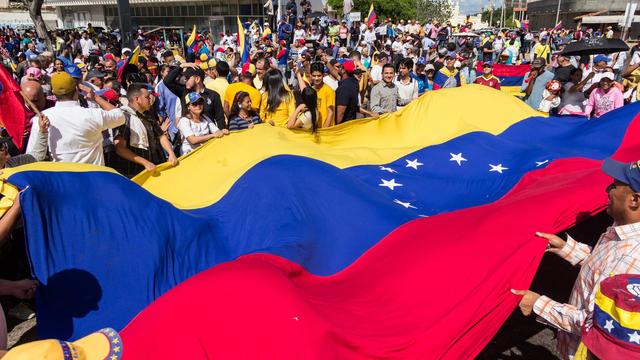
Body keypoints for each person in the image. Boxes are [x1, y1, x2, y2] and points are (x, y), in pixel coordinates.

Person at [511, 157, 640, 359]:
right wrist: (566, 248)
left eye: (615, 185)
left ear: (634, 200)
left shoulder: (633, 259)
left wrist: (538, 304)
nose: (608, 189)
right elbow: (603, 268)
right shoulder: (622, 229)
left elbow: (598, 322)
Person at [25, 72, 124, 166]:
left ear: (53, 93)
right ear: (76, 91)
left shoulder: (41, 119)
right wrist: (95, 97)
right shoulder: (93, 115)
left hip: (64, 180)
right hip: (94, 179)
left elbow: (32, 155)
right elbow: (120, 116)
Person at [113, 83, 178, 178]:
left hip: (155, 166)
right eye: (147, 97)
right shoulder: (124, 117)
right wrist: (145, 162)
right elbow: (120, 148)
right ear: (137, 99)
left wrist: (171, 153)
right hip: (135, 173)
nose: (150, 100)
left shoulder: (148, 115)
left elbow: (161, 136)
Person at [163, 63, 226, 130]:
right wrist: (181, 66)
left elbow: (220, 119)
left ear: (197, 79)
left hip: (209, 136)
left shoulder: (213, 95)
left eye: (187, 78)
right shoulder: (183, 92)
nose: (185, 80)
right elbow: (167, 81)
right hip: (189, 137)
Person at [306, 61, 335, 128]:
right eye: (314, 76)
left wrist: (324, 130)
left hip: (325, 129)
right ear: (310, 75)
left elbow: (331, 112)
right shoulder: (311, 90)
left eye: (319, 76)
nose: (316, 78)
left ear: (323, 75)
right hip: (315, 128)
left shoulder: (329, 91)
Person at [334, 60, 360, 124]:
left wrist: (333, 127)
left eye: (340, 67)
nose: (338, 68)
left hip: (342, 127)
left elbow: (341, 112)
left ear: (343, 70)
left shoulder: (344, 88)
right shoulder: (354, 83)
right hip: (351, 124)